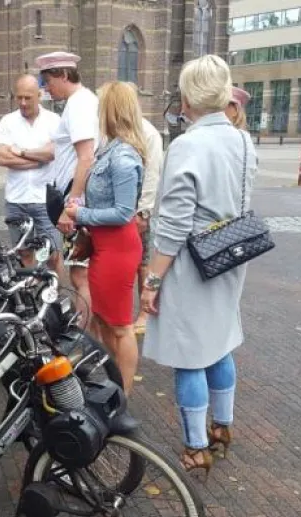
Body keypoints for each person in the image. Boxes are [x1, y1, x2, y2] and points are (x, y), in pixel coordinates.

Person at [140, 55, 258, 476]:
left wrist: (152, 280)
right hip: (231, 254)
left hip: (193, 262)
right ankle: (222, 428)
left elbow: (172, 224)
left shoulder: (188, 145)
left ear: (188, 98)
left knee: (190, 353)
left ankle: (195, 447)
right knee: (219, 342)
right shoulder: (244, 140)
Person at [62, 82, 144, 394]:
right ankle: (114, 384)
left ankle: (122, 394)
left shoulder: (121, 156)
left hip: (117, 250)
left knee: (120, 327)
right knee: (108, 321)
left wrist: (80, 215)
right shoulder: (111, 149)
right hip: (105, 247)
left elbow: (124, 212)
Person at [34, 51, 99, 325]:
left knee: (80, 274)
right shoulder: (80, 102)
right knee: (79, 273)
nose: (46, 88)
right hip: (78, 200)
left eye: (48, 81)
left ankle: (84, 341)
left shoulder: (80, 104)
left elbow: (86, 157)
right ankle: (88, 334)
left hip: (78, 202)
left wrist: (69, 208)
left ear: (62, 74)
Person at [0, 74, 63, 277]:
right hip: (16, 199)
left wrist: (20, 152)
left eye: (28, 98)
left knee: (53, 254)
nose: (23, 103)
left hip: (45, 200)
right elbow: (2, 158)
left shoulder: (54, 121)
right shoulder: (8, 121)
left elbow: (53, 153)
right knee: (24, 252)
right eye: (19, 98)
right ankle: (31, 297)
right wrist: (38, 159)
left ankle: (55, 299)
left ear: (39, 95)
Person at [128, 86, 165, 336]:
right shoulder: (116, 131)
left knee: (142, 263)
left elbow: (152, 173)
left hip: (137, 208)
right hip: (119, 209)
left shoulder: (148, 133)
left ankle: (143, 312)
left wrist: (144, 211)